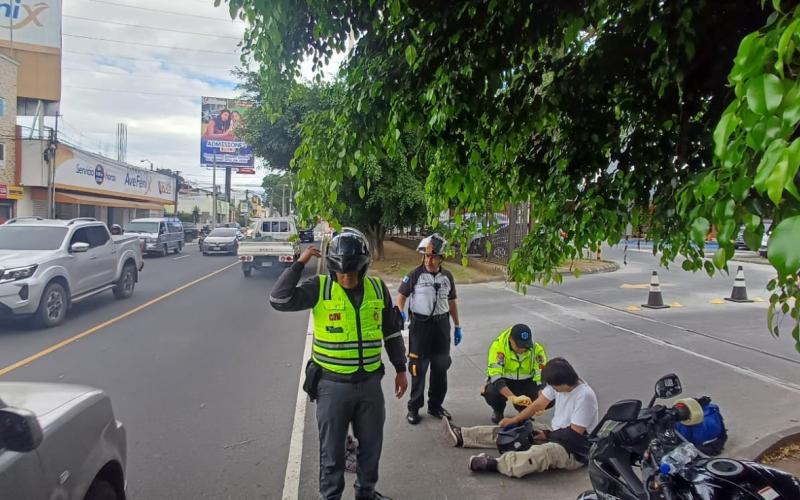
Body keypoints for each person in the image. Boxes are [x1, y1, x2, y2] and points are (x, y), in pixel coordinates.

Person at [269, 232, 408, 500]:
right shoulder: (319, 288)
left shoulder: (378, 289)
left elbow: (391, 332)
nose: (347, 278)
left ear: (363, 266)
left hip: (369, 386)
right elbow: (279, 299)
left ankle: (365, 494)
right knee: (331, 453)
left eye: (353, 273)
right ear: (333, 268)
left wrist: (400, 368)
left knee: (371, 448)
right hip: (332, 388)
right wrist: (300, 262)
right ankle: (330, 496)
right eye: (341, 273)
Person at [442, 358, 598, 478]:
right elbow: (537, 405)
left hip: (574, 449)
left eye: (553, 386)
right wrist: (515, 421)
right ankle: (463, 435)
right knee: (514, 430)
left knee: (543, 453)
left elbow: (574, 434)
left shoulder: (584, 396)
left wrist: (547, 435)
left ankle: (495, 464)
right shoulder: (559, 385)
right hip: (556, 433)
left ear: (562, 383)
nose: (551, 389)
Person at [396, 233, 461, 425]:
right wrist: (401, 313)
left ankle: (435, 406)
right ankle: (414, 408)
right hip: (420, 327)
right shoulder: (414, 275)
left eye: (432, 256)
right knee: (418, 369)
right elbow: (401, 297)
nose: (428, 260)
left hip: (441, 327)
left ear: (441, 258)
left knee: (440, 368)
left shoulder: (447, 276)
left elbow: (452, 302)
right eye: (426, 256)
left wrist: (457, 326)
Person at [482, 323, 548, 424]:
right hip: (505, 383)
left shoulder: (536, 350)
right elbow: (495, 376)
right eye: (519, 346)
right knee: (491, 392)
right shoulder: (498, 347)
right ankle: (498, 411)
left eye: (526, 346)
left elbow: (541, 375)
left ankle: (525, 412)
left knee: (549, 396)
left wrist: (541, 398)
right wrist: (512, 397)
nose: (522, 349)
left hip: (526, 383)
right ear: (510, 339)